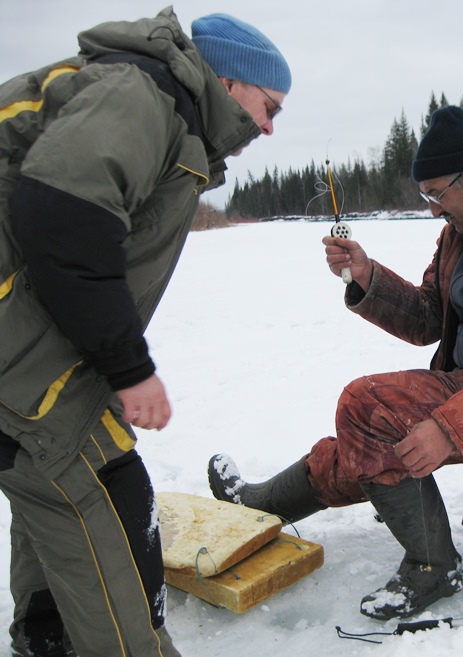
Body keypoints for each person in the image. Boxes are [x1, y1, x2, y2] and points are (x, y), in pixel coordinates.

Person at [208, 106, 463, 621]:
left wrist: (450, 426)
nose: (432, 209)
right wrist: (365, 275)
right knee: (371, 438)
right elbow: (428, 317)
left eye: (438, 193)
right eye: (427, 196)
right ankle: (260, 504)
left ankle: (433, 565)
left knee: (367, 407)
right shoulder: (462, 231)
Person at [0, 8, 290, 657]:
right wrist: (128, 366)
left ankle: (47, 637)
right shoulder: (143, 93)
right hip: (19, 342)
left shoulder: (158, 105)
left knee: (46, 482)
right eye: (267, 106)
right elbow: (62, 212)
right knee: (103, 487)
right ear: (225, 80)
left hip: (29, 337)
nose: (268, 128)